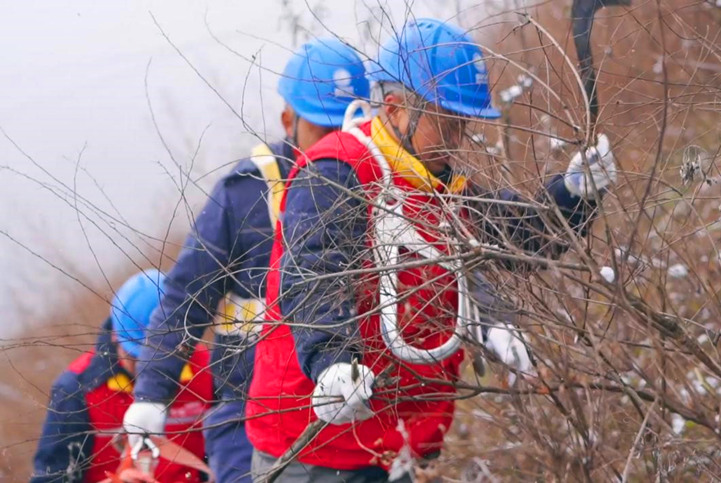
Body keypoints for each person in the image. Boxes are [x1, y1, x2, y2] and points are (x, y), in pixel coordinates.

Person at [246, 18, 617, 482]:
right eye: (446, 123)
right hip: (317, 446)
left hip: (400, 444)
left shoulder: (441, 186)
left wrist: (575, 194)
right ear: (397, 109)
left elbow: (527, 236)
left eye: (462, 123)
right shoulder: (337, 172)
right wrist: (331, 359)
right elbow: (311, 274)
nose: (458, 138)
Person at [122, 38, 370, 483]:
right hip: (248, 412)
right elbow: (187, 295)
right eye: (320, 129)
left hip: (355, 404)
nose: (334, 144)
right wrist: (151, 393)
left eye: (343, 129)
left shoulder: (379, 184)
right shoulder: (242, 195)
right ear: (288, 120)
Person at [31, 270, 212, 483]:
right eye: (137, 358)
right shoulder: (76, 391)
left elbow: (232, 452)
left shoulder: (208, 369)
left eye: (160, 361)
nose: (148, 370)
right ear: (116, 336)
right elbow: (50, 478)